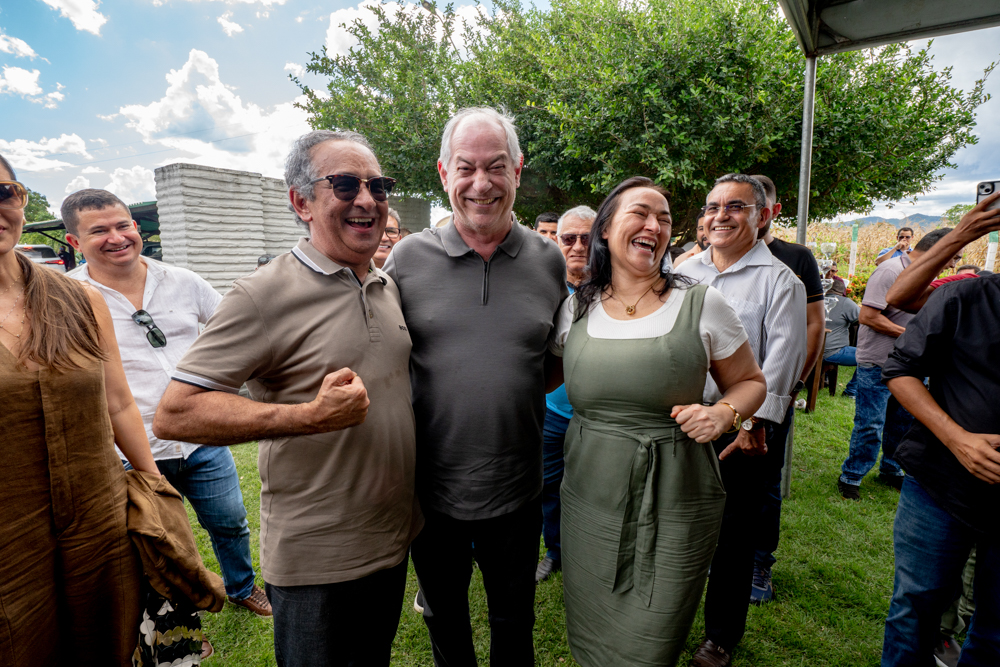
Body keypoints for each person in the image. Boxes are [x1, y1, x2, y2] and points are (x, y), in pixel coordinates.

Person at [154, 130, 420, 667]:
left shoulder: (383, 284)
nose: (366, 199)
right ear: (301, 202)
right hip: (317, 560)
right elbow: (176, 411)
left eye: (378, 185)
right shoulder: (261, 294)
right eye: (345, 184)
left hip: (391, 543)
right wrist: (309, 417)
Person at [549, 176, 766, 666]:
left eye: (665, 219)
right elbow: (538, 377)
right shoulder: (575, 310)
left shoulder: (701, 303)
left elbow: (751, 382)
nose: (655, 226)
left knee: (654, 634)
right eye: (641, 213)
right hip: (589, 492)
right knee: (590, 622)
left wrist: (723, 414)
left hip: (674, 494)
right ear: (605, 229)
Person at [383, 107, 568, 666]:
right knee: (445, 618)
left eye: (496, 167)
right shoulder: (406, 260)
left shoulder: (550, 261)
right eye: (466, 168)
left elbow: (550, 363)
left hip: (517, 487)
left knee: (515, 620)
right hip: (431, 490)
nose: (481, 184)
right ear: (444, 173)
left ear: (517, 170)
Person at [63, 188, 270, 621]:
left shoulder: (183, 281)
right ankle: (174, 610)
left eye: (123, 225)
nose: (116, 237)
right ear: (74, 243)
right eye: (98, 231)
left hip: (200, 438)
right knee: (153, 538)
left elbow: (233, 333)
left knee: (230, 522)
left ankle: (242, 586)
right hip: (126, 449)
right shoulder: (67, 298)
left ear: (136, 228)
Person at [0, 154, 159, 664]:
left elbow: (117, 402)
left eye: (3, 194)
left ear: (20, 199)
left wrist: (156, 492)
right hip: (8, 544)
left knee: (108, 642)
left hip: (100, 525)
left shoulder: (78, 299)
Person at [675, 173, 807, 667]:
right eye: (712, 207)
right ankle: (668, 616)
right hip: (683, 424)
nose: (720, 216)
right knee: (678, 529)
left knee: (732, 539)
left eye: (735, 206)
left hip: (739, 433)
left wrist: (753, 426)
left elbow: (783, 361)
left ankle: (720, 638)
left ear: (764, 216)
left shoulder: (780, 281)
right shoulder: (686, 272)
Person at [880, 264, 1000, 667]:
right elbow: (900, 369)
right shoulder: (965, 297)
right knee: (916, 608)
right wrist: (958, 439)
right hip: (940, 482)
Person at [748, 174, 825, 605]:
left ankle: (759, 561)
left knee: (765, 481)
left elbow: (814, 323)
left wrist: (794, 382)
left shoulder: (796, 257)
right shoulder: (705, 257)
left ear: (772, 212)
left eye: (756, 206)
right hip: (713, 396)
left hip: (771, 393)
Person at [837, 228, 957, 500]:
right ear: (940, 249)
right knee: (870, 423)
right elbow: (868, 317)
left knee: (902, 424)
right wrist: (912, 337)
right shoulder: (891, 270)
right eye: (954, 257)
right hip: (880, 360)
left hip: (913, 365)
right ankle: (852, 475)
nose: (953, 264)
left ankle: (891, 470)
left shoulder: (929, 276)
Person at [536, 204, 596, 583]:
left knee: (596, 491)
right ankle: (556, 551)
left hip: (600, 416)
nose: (577, 247)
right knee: (549, 488)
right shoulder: (544, 287)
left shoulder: (621, 288)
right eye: (568, 238)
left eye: (586, 239)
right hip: (553, 412)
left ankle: (593, 554)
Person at [822, 279, 861, 398]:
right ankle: (851, 391)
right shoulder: (845, 303)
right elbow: (864, 319)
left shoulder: (815, 300)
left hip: (809, 350)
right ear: (843, 291)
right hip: (832, 352)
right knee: (870, 356)